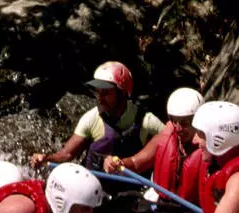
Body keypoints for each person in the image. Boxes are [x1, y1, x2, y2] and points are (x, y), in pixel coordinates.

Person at [104, 86, 208, 213]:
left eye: (185, 123)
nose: (178, 128)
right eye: (174, 121)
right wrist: (117, 164)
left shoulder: (208, 149)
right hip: (162, 209)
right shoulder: (164, 139)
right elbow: (135, 162)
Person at [30, 61, 164, 178]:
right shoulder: (91, 119)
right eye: (97, 92)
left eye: (106, 93)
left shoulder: (145, 120)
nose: (99, 98)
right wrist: (46, 158)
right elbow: (67, 154)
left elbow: (171, 138)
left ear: (122, 93)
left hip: (132, 191)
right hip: (96, 188)